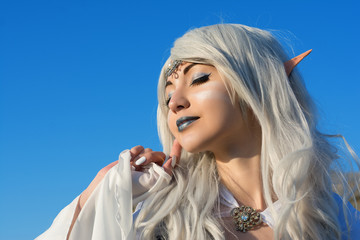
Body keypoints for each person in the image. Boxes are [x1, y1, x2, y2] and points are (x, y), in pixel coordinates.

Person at [36, 24, 360, 240]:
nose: (175, 102)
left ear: (262, 82)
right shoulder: (161, 221)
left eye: (200, 78)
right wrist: (105, 190)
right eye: (167, 96)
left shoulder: (336, 219)